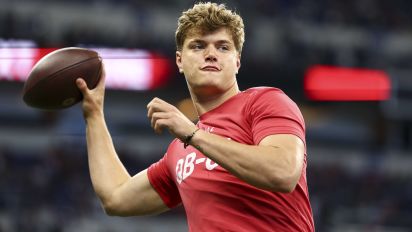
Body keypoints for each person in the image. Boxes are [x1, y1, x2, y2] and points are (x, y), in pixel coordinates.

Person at [76, 2, 314, 231]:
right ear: (180, 60)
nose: (211, 54)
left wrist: (193, 134)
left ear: (237, 62)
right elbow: (116, 198)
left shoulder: (265, 101)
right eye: (198, 46)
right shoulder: (179, 151)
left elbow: (283, 172)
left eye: (223, 47)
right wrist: (94, 115)